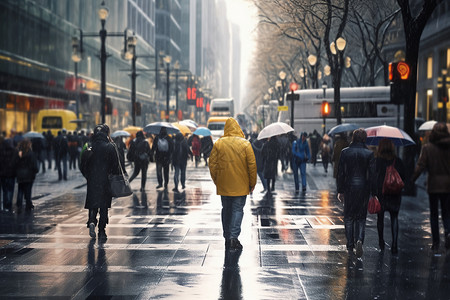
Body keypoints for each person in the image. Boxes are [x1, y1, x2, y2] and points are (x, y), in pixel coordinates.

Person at [209, 117, 257, 251]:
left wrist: (217, 180)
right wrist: (252, 183)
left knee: (226, 210)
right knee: (237, 210)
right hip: (241, 186)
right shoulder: (246, 144)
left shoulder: (219, 143)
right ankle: (233, 238)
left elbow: (212, 164)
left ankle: (227, 235)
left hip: (224, 184)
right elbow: (252, 166)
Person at [337, 128, 375, 258]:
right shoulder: (369, 154)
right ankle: (359, 240)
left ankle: (350, 244)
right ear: (364, 139)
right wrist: (372, 192)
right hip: (363, 189)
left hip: (349, 188)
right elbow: (372, 175)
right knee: (360, 218)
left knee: (348, 217)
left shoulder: (345, 152)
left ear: (353, 138)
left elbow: (341, 173)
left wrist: (340, 190)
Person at [412, 122, 450, 251]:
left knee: (434, 214)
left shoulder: (428, 148)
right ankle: (448, 232)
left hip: (434, 184)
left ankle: (436, 242)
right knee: (446, 212)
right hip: (448, 185)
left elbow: (420, 166)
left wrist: (412, 179)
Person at [83, 124, 119, 241]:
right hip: (105, 180)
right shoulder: (110, 147)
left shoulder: (89, 147)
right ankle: (102, 230)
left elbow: (83, 165)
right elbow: (115, 165)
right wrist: (110, 173)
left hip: (93, 180)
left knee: (93, 203)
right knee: (103, 206)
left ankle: (92, 220)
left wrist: (88, 176)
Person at [374, 138, 405, 254]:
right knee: (394, 218)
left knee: (380, 218)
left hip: (381, 193)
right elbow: (403, 177)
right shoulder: (398, 161)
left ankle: (381, 242)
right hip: (395, 194)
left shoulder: (377, 161)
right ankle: (394, 244)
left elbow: (373, 176)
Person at [15, 139, 39, 213]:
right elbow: (34, 165)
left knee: (20, 190)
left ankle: (19, 204)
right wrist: (35, 171)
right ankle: (28, 204)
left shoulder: (19, 153)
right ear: (29, 145)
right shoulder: (31, 154)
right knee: (28, 190)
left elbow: (15, 163)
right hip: (29, 175)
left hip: (20, 175)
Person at [0, 136, 18, 212]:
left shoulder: (1, 150)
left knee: (4, 191)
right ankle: (9, 205)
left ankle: (4, 205)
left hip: (3, 174)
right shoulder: (14, 151)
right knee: (10, 190)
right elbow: (16, 163)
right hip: (11, 174)